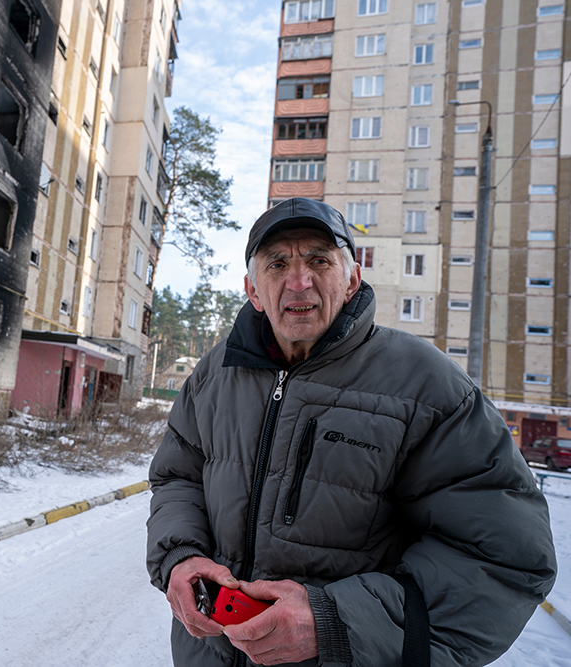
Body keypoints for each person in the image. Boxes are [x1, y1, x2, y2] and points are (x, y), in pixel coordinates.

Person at [146, 198, 557, 667]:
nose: (299, 281)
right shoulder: (214, 375)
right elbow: (178, 479)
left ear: (352, 279)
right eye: (277, 263)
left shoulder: (430, 388)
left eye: (319, 260)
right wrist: (180, 557)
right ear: (253, 291)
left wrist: (334, 623)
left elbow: (505, 563)